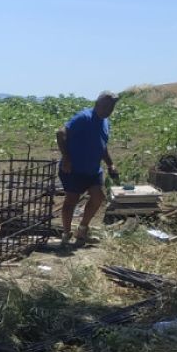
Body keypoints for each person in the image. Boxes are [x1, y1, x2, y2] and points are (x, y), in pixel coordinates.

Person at [57, 91, 121, 247]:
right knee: (71, 201)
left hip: (93, 169)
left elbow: (102, 146)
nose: (109, 110)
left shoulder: (105, 122)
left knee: (98, 197)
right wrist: (67, 157)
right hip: (74, 168)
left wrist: (110, 164)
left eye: (112, 106)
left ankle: (83, 229)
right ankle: (66, 234)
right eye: (106, 106)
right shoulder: (84, 118)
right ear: (97, 104)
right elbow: (60, 133)